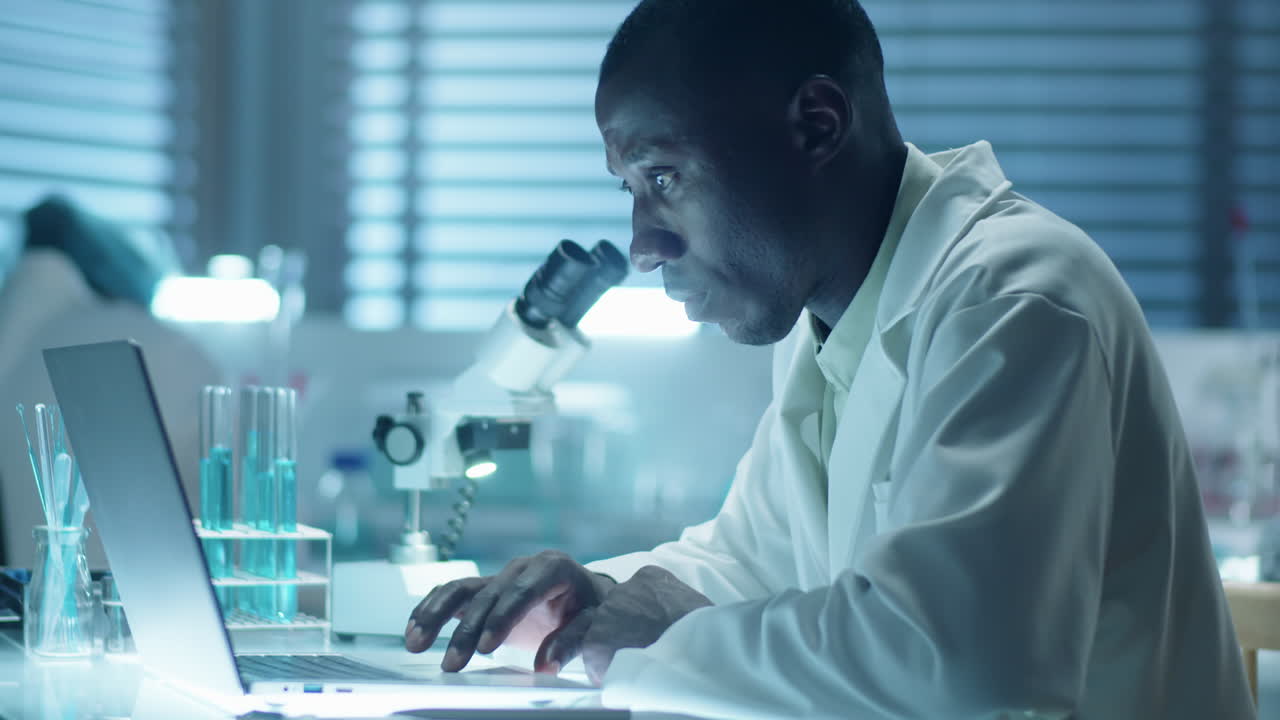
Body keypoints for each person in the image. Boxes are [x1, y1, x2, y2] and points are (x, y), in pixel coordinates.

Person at [405, 1, 1255, 717]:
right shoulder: (836, 321)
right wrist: (598, 597)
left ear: (817, 124)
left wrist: (657, 640)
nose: (642, 244)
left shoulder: (1015, 298)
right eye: (629, 191)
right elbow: (751, 562)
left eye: (664, 177)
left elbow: (962, 662)